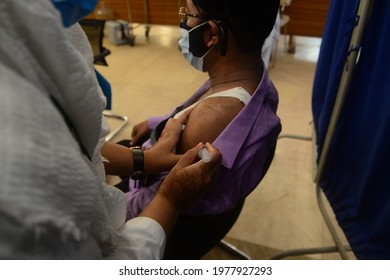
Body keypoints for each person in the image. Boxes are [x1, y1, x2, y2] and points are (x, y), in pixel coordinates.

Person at [0, 0, 221, 259]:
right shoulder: (15, 180)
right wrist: (170, 200)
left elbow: (81, 141)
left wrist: (146, 158)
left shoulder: (45, 25)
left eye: (189, 14)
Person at [109, 0, 282, 221]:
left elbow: (154, 204)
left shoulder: (208, 121)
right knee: (119, 150)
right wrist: (155, 122)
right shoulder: (250, 77)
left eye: (188, 14)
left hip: (143, 203)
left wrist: (101, 211)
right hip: (153, 156)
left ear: (211, 34)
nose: (184, 23)